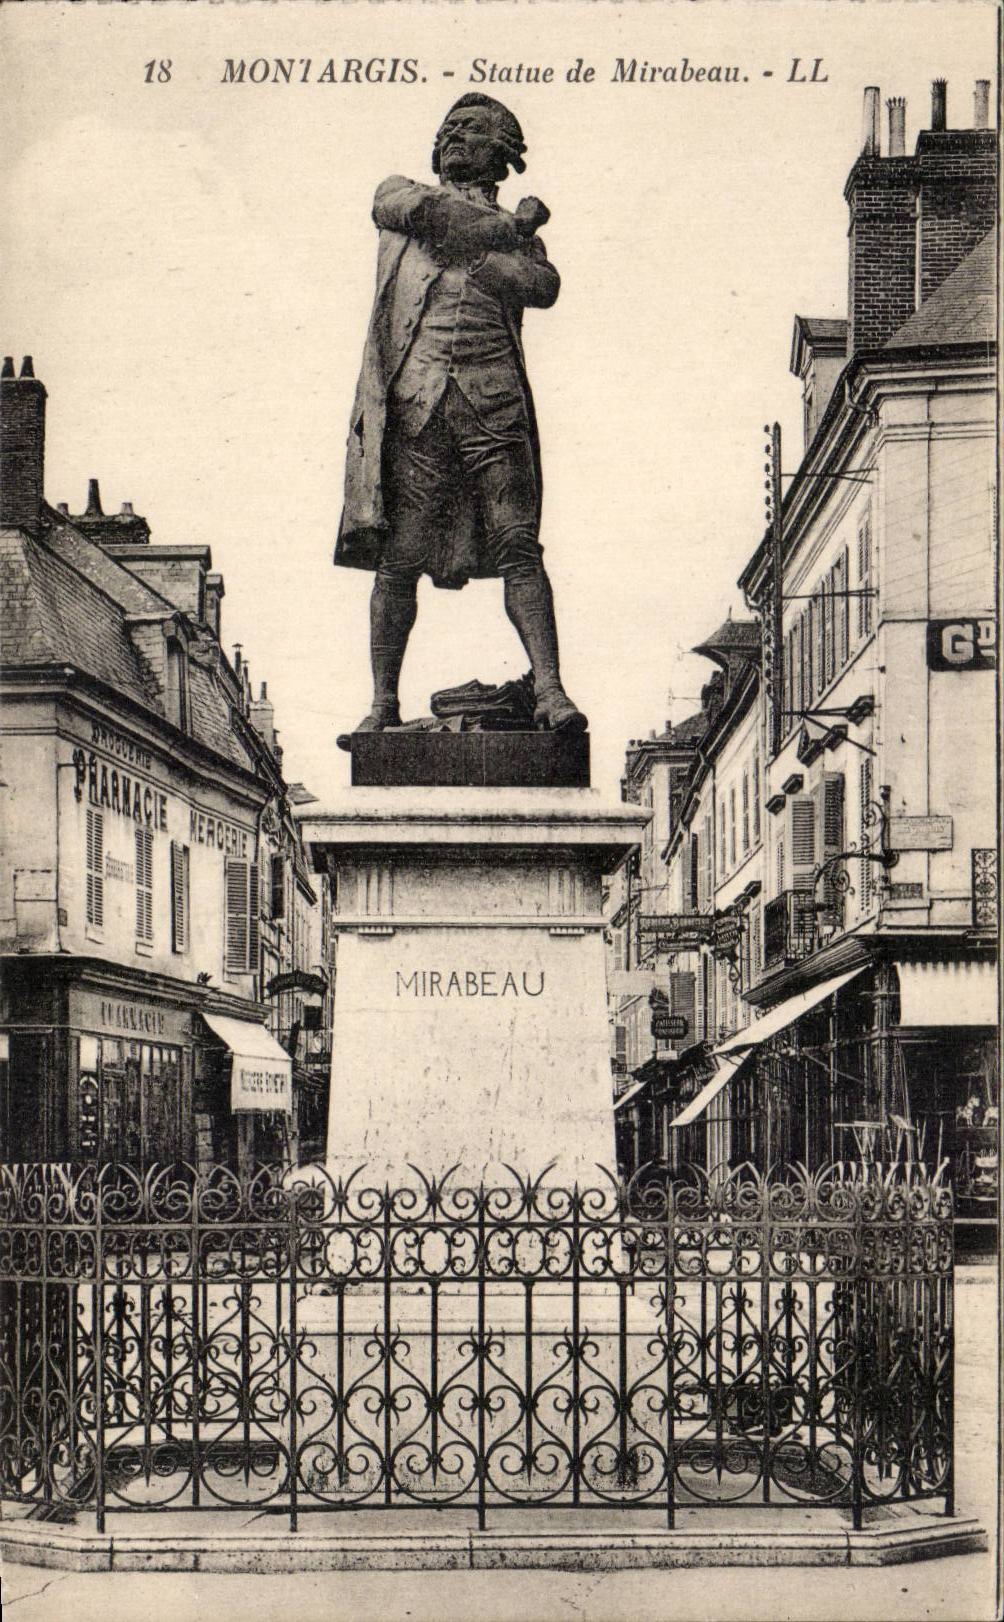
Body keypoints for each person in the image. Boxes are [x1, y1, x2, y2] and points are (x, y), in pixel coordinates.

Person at [335, 93, 586, 734]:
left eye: (471, 129)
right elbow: (426, 213)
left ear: (501, 154)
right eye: (448, 128)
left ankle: (551, 692)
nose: (453, 136)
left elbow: (544, 287)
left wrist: (495, 249)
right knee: (398, 558)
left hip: (493, 401)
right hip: (415, 404)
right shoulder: (402, 196)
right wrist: (511, 229)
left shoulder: (523, 244)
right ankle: (382, 704)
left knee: (518, 545)